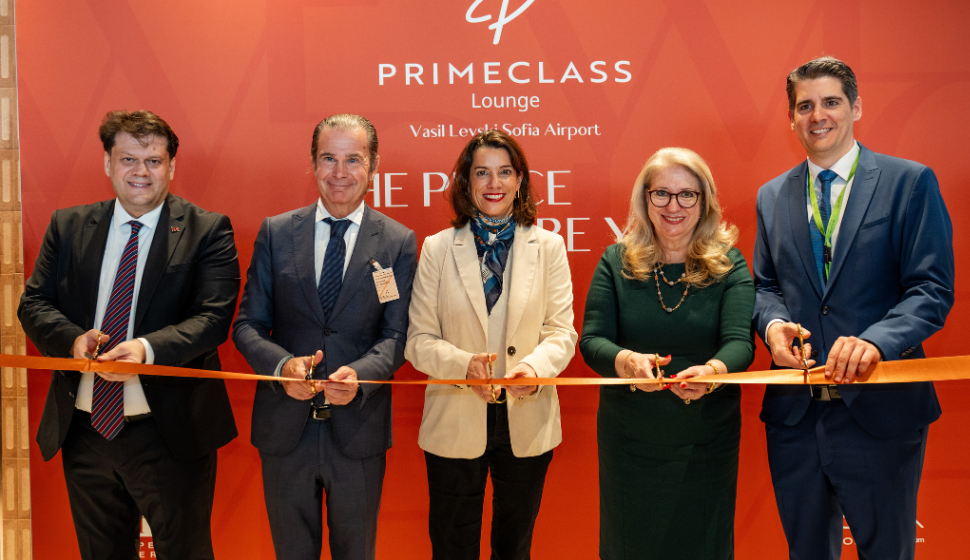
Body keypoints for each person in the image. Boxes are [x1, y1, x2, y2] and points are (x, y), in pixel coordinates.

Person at [753, 56, 954, 560]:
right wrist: (772, 325)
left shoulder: (909, 182)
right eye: (805, 106)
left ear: (856, 107)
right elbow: (764, 287)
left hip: (881, 413)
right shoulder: (771, 196)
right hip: (796, 418)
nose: (817, 115)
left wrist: (875, 342)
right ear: (791, 118)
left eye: (831, 102)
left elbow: (931, 288)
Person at [18, 110, 240, 560]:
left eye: (154, 161)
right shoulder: (68, 226)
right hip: (85, 431)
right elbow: (34, 303)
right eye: (128, 159)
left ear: (172, 166)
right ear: (108, 163)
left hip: (170, 431)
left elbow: (213, 318)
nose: (141, 172)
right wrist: (73, 340)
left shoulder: (207, 230)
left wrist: (144, 349)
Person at [233, 113, 416, 560]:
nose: (340, 172)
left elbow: (397, 334)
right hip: (285, 431)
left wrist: (361, 375)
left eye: (353, 159)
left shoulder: (396, 241)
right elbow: (247, 324)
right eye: (329, 158)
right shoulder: (277, 233)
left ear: (374, 165)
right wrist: (281, 366)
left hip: (359, 432)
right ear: (313, 163)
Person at [405, 130, 577, 560]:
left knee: (514, 547)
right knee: (452, 547)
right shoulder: (437, 249)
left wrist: (534, 369)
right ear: (466, 182)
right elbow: (418, 340)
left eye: (504, 172)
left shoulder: (549, 247)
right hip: (454, 417)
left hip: (527, 417)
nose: (493, 183)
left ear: (520, 180)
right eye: (482, 172)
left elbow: (561, 332)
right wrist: (463, 364)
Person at [579, 147, 754, 560]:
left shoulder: (729, 264)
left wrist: (712, 371)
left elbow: (740, 343)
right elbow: (592, 340)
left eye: (687, 194)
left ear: (704, 201)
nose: (673, 206)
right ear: (645, 199)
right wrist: (627, 362)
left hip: (706, 437)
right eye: (661, 193)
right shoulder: (615, 261)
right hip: (630, 440)